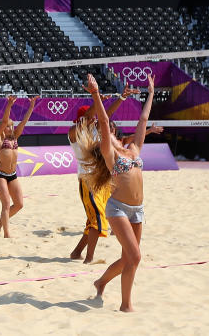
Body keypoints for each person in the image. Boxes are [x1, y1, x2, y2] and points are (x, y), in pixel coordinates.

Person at [80, 73, 155, 312]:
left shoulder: (133, 148)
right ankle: (126, 305)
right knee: (135, 257)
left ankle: (101, 282)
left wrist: (151, 93)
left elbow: (142, 120)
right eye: (107, 131)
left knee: (128, 259)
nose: (110, 130)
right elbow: (103, 122)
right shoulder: (109, 154)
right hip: (119, 209)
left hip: (138, 210)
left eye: (112, 130)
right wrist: (95, 93)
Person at [68, 89, 135, 263]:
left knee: (95, 220)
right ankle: (89, 258)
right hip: (88, 179)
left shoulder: (95, 129)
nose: (94, 119)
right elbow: (90, 115)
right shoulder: (74, 132)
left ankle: (76, 252)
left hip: (102, 179)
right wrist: (95, 99)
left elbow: (107, 115)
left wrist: (121, 97)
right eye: (91, 117)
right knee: (97, 221)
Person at [0, 95, 38, 238]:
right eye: (8, 126)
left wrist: (31, 106)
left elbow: (24, 122)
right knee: (6, 204)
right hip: (0, 175)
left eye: (12, 125)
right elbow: (5, 121)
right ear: (3, 128)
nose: (11, 127)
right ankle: (6, 233)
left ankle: (0, 221)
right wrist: (9, 105)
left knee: (19, 204)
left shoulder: (15, 137)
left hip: (12, 174)